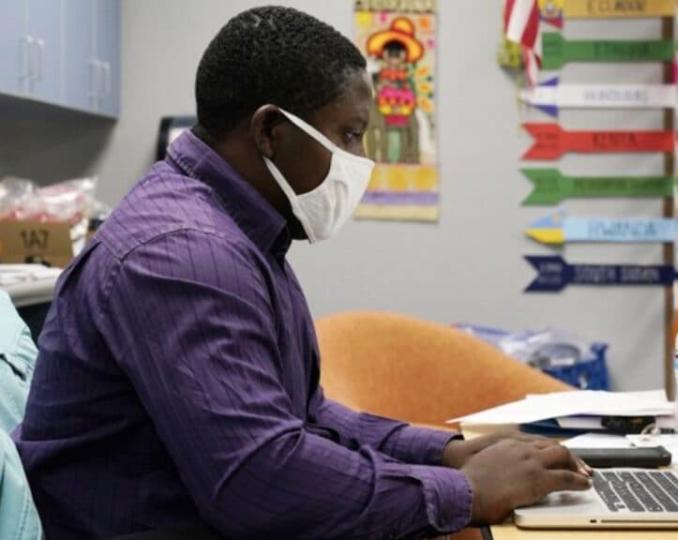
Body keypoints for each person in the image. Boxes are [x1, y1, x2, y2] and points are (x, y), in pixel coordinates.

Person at [14, 6, 590, 539]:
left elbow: (304, 415)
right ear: (271, 132)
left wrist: (445, 453)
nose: (360, 161)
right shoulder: (184, 256)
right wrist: (462, 492)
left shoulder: (242, 234)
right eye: (348, 134)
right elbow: (259, 480)